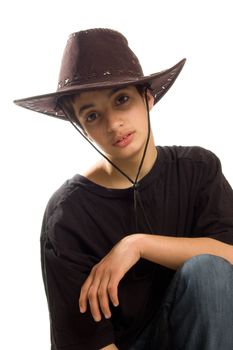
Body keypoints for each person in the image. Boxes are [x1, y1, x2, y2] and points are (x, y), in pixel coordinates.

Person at [14, 28, 233, 350]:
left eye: (122, 100)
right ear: (82, 128)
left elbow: (228, 256)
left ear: (148, 98)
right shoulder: (69, 215)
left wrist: (138, 245)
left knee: (208, 270)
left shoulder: (197, 168)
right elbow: (85, 340)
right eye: (92, 115)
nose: (113, 123)